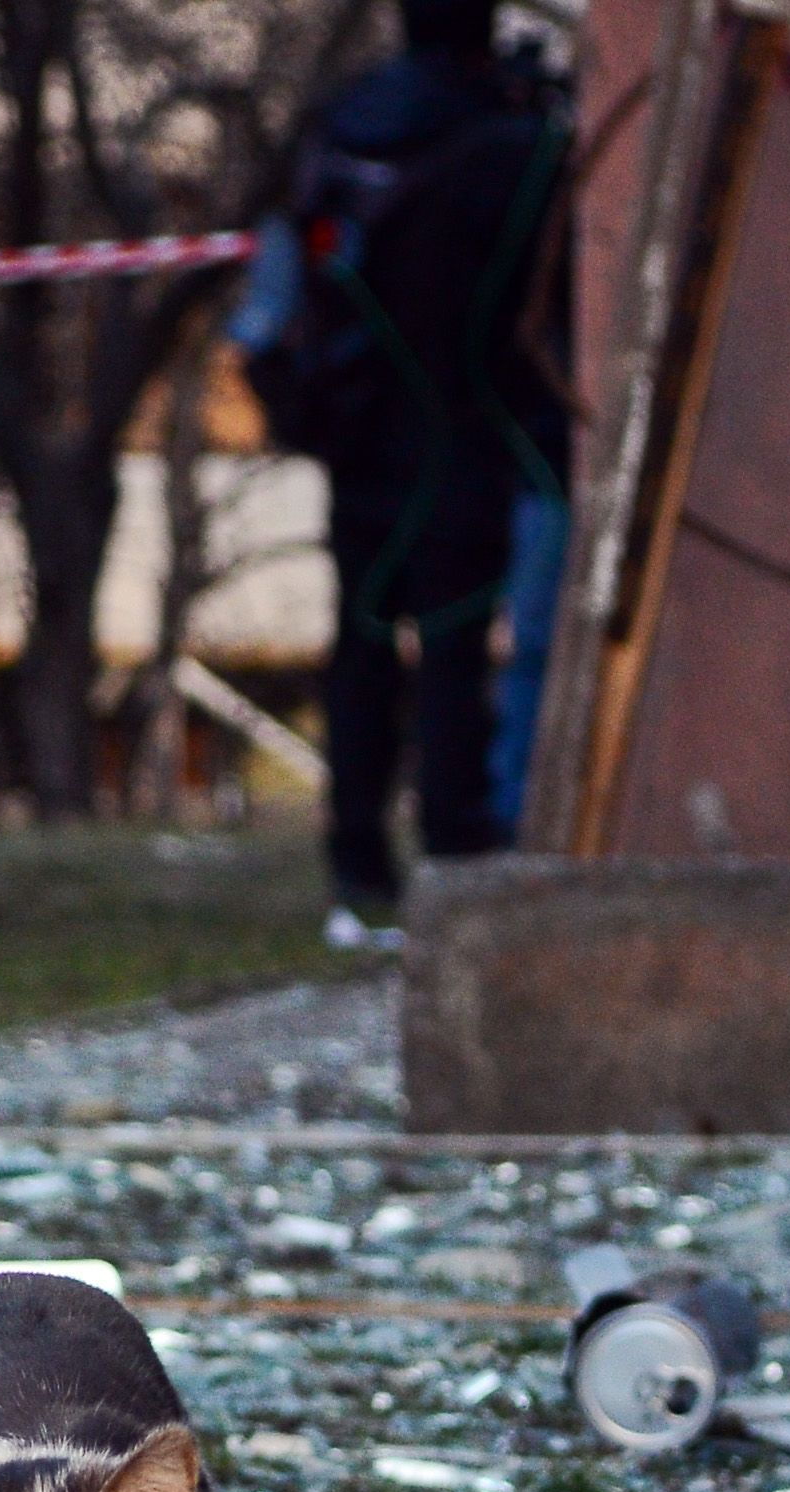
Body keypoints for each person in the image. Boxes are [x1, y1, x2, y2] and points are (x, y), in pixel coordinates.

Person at [239, 0, 570, 939]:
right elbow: (540, 294)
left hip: (359, 424)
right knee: (456, 651)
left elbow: (283, 266)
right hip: (462, 424)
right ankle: (455, 853)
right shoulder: (507, 142)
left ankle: (357, 859)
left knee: (363, 644)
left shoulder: (347, 123)